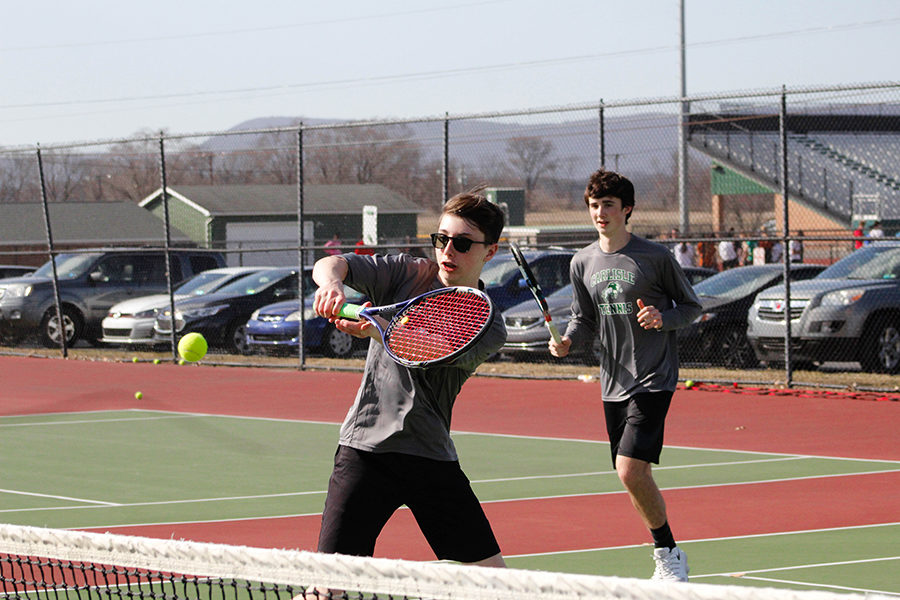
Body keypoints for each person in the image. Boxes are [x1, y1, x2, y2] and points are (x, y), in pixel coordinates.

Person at [311, 188, 508, 569]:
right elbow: (331, 263)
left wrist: (377, 328)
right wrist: (331, 284)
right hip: (365, 451)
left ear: (490, 251)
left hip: (429, 456)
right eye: (442, 239)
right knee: (328, 586)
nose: (448, 251)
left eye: (463, 243)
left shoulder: (489, 324)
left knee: (492, 581)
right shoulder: (407, 273)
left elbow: (425, 348)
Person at [548, 169, 701, 582]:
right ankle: (667, 550)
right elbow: (584, 321)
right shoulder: (581, 262)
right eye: (594, 205)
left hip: (653, 377)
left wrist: (662, 317)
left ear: (627, 209)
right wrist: (566, 342)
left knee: (629, 470)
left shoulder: (654, 257)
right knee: (634, 475)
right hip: (611, 382)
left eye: (608, 205)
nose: (600, 213)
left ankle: (667, 553)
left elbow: (691, 307)